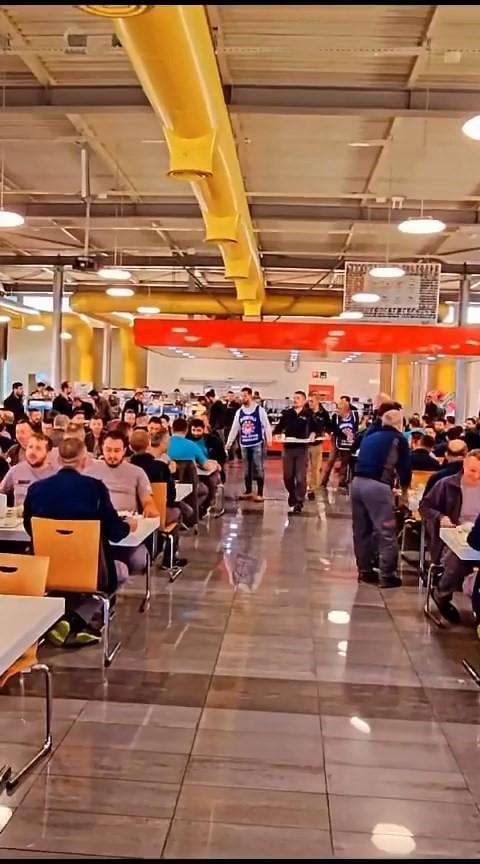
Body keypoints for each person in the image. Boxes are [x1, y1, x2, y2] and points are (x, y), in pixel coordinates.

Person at [23, 437, 137, 646]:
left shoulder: (36, 489)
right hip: (89, 569)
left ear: (58, 459)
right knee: (121, 571)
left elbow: (29, 527)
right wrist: (129, 525)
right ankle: (76, 619)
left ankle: (60, 620)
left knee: (66, 580)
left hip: (46, 568)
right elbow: (115, 533)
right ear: (84, 461)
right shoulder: (95, 489)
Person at [351, 409, 411, 588]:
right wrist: (404, 490)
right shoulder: (398, 439)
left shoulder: (370, 436)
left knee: (361, 530)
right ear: (400, 424)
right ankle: (387, 574)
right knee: (386, 531)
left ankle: (365, 570)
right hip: (378, 485)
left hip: (357, 483)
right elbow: (404, 468)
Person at [420, 450, 480, 623]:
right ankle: (441, 594)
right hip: (453, 535)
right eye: (472, 471)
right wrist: (441, 517)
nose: (477, 476)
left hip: (476, 533)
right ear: (464, 466)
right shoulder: (446, 484)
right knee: (458, 559)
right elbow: (425, 506)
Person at [86, 430, 158, 573]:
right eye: (108, 450)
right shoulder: (90, 469)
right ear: (101, 448)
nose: (112, 455)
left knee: (139, 560)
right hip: (97, 527)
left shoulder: (137, 472)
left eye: (117, 451)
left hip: (126, 527)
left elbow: (147, 500)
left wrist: (149, 507)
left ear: (125, 450)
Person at [129, 429, 190, 563]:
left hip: (131, 514)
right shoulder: (161, 467)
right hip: (157, 512)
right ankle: (170, 558)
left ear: (129, 447)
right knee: (177, 512)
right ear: (149, 445)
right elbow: (171, 495)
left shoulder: (126, 467)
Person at [225, 386, 272, 502]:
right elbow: (235, 427)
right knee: (246, 469)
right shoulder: (239, 412)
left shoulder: (259, 410)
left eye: (245, 396)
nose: (243, 398)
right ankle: (248, 490)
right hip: (244, 444)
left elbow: (266, 425)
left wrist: (269, 438)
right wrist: (229, 442)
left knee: (258, 467)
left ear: (250, 396)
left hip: (257, 443)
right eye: (241, 396)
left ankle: (260, 493)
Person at [273, 390, 315, 514]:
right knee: (288, 477)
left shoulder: (308, 414)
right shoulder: (287, 413)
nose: (295, 400)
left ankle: (299, 501)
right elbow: (279, 428)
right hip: (288, 449)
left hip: (302, 449)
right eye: (294, 398)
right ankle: (292, 494)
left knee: (301, 477)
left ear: (304, 400)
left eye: (298, 398)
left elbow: (316, 428)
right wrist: (277, 434)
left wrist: (313, 433)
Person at [168, 417, 220, 510]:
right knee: (204, 491)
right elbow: (207, 466)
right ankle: (193, 511)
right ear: (186, 430)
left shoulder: (164, 444)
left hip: (168, 483)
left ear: (172, 429)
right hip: (189, 483)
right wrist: (215, 465)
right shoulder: (192, 445)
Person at [0, 433, 55, 505]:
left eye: (38, 448)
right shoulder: (16, 470)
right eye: (30, 447)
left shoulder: (56, 474)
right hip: (19, 512)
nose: (32, 452)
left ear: (48, 453)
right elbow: (1, 491)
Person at [321, 395, 359, 489]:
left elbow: (355, 427)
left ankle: (342, 481)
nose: (337, 410)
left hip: (349, 442)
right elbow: (334, 428)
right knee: (331, 460)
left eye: (340, 409)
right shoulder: (335, 417)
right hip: (337, 440)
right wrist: (343, 433)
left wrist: (351, 435)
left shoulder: (354, 415)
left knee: (345, 461)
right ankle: (323, 481)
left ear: (346, 410)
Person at [188, 417, 227, 485]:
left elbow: (221, 456)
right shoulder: (186, 440)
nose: (196, 433)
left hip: (210, 468)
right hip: (192, 469)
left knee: (213, 481)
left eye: (198, 430)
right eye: (193, 430)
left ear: (203, 430)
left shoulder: (213, 440)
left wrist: (215, 463)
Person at [306, 393, 330, 500]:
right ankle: (303, 486)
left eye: (312, 401)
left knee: (316, 468)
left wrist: (326, 432)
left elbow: (328, 425)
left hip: (317, 444)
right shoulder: (305, 412)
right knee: (303, 468)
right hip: (305, 444)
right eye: (309, 401)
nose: (310, 403)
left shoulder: (323, 413)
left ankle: (312, 489)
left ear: (317, 401)